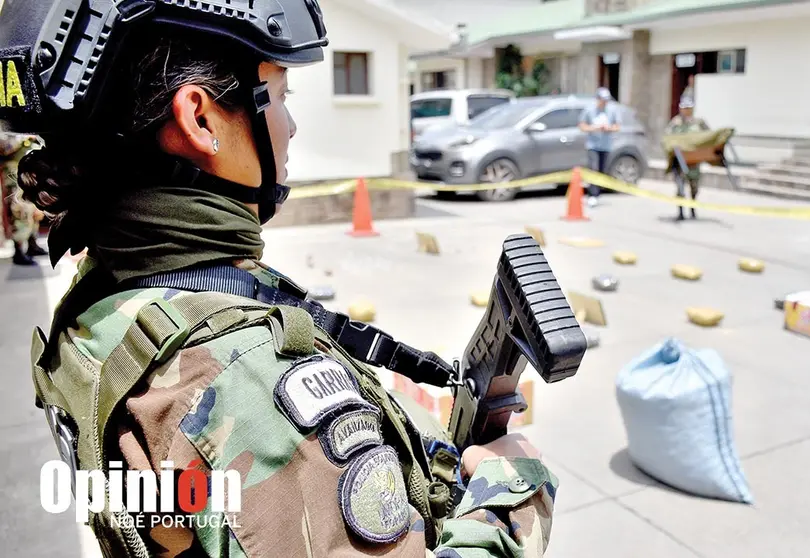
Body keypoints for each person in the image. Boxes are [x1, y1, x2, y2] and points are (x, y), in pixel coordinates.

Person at [1, 2, 556, 557]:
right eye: (280, 96)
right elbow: (246, 422)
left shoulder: (112, 287)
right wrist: (508, 492)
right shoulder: (247, 379)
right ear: (199, 118)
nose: (290, 125)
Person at [1, 133, 47, 265]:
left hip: (27, 170)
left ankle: (32, 244)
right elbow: (4, 148)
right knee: (19, 212)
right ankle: (19, 250)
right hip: (12, 174)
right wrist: (23, 139)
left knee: (33, 210)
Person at [664, 96, 710, 220]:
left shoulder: (699, 123)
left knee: (694, 187)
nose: (686, 110)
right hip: (679, 161)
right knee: (680, 188)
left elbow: (708, 136)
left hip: (693, 161)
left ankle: (693, 209)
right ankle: (681, 212)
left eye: (689, 108)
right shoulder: (675, 123)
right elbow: (667, 138)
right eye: (684, 108)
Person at [578, 87, 621, 207]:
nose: (605, 102)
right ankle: (592, 194)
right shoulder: (590, 110)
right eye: (603, 99)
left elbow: (617, 126)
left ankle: (597, 193)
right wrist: (594, 128)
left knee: (602, 170)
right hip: (593, 145)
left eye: (606, 100)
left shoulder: (612, 110)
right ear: (598, 99)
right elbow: (582, 126)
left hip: (606, 145)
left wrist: (609, 128)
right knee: (593, 168)